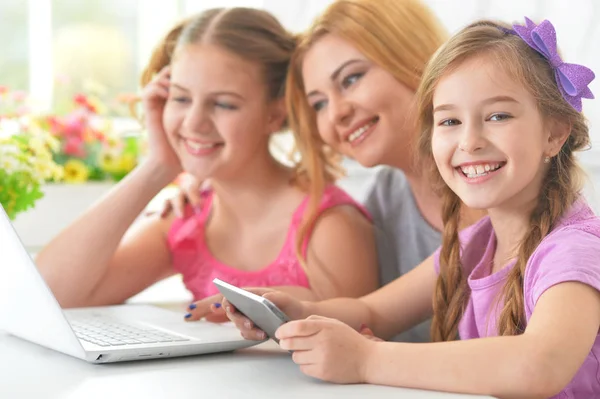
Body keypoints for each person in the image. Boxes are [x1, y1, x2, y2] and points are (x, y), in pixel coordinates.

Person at [224, 17, 600, 398]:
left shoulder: (572, 250)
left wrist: (368, 359)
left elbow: (539, 364)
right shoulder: (476, 242)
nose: (469, 141)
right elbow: (372, 312)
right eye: (450, 120)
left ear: (554, 132)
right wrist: (297, 312)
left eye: (497, 116)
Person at [164, 0, 484, 341]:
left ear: (415, 59)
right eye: (319, 103)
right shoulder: (383, 201)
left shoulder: (501, 194)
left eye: (352, 78)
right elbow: (370, 312)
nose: (336, 114)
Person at [35, 8, 379, 318]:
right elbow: (53, 295)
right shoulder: (189, 219)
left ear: (275, 114)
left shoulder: (328, 226)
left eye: (224, 104)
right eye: (181, 98)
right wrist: (158, 167)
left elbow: (355, 351)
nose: (194, 123)